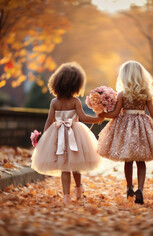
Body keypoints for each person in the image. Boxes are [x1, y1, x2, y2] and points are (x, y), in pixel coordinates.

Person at [31, 62, 105, 205]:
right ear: (76, 85)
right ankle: (78, 189)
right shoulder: (75, 101)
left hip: (57, 135)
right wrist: (98, 118)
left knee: (64, 166)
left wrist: (44, 137)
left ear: (57, 82)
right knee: (76, 163)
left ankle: (66, 196)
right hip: (74, 135)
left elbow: (49, 121)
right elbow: (83, 118)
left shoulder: (54, 102)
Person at [98, 60, 153, 204]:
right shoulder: (146, 94)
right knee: (141, 160)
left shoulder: (122, 95)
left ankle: (129, 187)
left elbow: (115, 113)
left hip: (126, 128)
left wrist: (102, 113)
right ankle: (140, 189)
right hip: (142, 128)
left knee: (128, 160)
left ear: (125, 77)